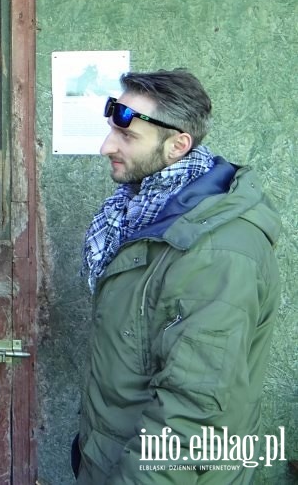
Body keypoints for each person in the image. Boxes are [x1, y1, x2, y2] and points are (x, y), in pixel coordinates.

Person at [73, 69, 281, 483]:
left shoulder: (218, 253)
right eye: (111, 131)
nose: (105, 147)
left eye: (126, 136)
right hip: (115, 455)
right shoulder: (139, 212)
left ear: (177, 145)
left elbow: (192, 417)